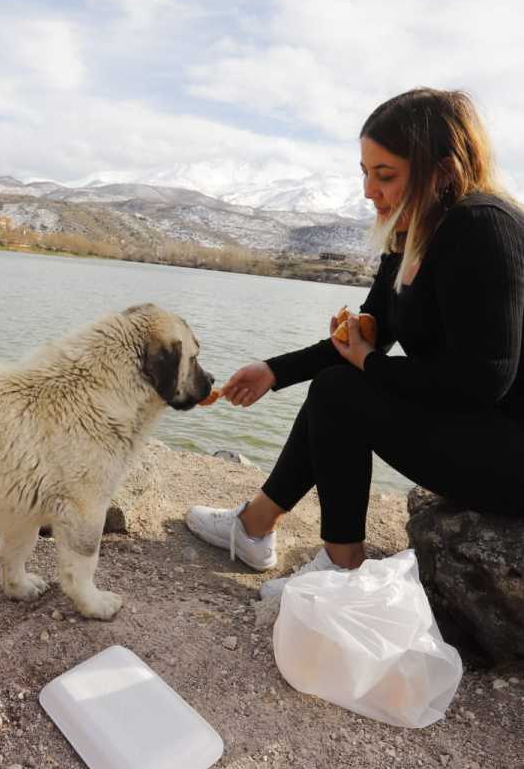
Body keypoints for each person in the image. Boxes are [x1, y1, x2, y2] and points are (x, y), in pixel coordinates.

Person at [186, 87, 524, 599]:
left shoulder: (483, 228)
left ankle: (340, 571)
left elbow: (482, 381)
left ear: (443, 169)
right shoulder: (410, 234)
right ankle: (255, 529)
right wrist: (274, 371)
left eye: (385, 175)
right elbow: (367, 338)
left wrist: (368, 364)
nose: (370, 190)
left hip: (509, 451)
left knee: (341, 391)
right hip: (471, 429)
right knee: (338, 384)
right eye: (365, 172)